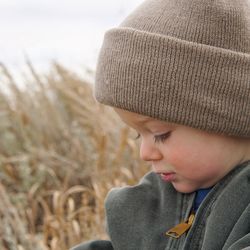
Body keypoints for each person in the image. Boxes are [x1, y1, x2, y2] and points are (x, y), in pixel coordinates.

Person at [72, 0, 250, 249]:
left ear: (232, 116)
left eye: (160, 134)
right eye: (137, 135)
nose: (145, 153)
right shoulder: (149, 202)